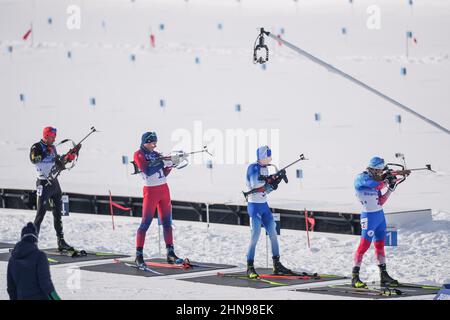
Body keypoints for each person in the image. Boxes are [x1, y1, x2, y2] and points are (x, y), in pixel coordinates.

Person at [133, 131, 184, 267]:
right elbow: (147, 171)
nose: (154, 145)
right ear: (145, 142)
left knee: (167, 223)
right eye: (152, 142)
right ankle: (138, 255)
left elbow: (163, 173)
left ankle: (170, 254)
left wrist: (172, 164)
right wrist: (163, 162)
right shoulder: (139, 154)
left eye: (155, 142)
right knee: (145, 224)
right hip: (151, 191)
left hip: (164, 190)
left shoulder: (155, 154)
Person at [245, 145, 293, 279]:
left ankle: (276, 264)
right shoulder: (253, 168)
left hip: (264, 206)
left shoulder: (266, 168)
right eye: (268, 156)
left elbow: (266, 189)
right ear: (261, 157)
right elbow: (257, 185)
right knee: (255, 236)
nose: (270, 158)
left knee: (273, 234)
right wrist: (271, 181)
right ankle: (249, 267)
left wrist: (275, 181)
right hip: (254, 207)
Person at [351, 156, 399, 288]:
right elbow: (377, 185)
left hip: (379, 216)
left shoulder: (376, 180)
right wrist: (387, 179)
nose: (379, 173)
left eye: (380, 171)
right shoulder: (362, 178)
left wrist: (390, 188)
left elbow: (381, 201)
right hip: (369, 217)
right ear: (371, 169)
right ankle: (355, 277)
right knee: (363, 246)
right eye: (378, 171)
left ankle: (383, 275)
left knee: (380, 246)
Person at [29, 126, 78, 252]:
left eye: (54, 137)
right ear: (46, 136)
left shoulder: (53, 148)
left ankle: (61, 241)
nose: (54, 139)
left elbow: (58, 165)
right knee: (40, 214)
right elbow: (33, 160)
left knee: (58, 214)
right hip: (43, 184)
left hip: (54, 184)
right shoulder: (37, 147)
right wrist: (46, 152)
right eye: (51, 137)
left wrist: (69, 158)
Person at [7, 222, 61, 300]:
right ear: (35, 238)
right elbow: (46, 284)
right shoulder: (39, 256)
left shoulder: (12, 259)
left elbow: (11, 288)